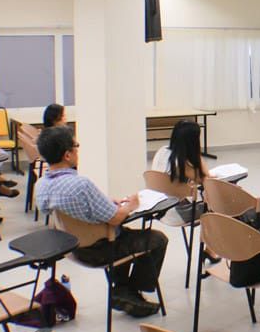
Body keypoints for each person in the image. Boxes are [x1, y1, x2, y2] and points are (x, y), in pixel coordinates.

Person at [35, 126, 167, 317]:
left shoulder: (42, 185)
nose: (77, 150)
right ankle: (129, 290)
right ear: (67, 155)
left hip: (70, 248)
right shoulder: (81, 184)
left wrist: (105, 203)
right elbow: (116, 218)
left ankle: (123, 290)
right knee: (157, 239)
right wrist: (131, 205)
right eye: (76, 146)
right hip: (99, 250)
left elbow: (65, 211)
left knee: (127, 237)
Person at [151, 119, 208, 184]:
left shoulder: (162, 150)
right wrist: (197, 155)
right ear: (193, 142)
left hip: (155, 190)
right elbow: (203, 179)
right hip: (173, 193)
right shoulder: (182, 163)